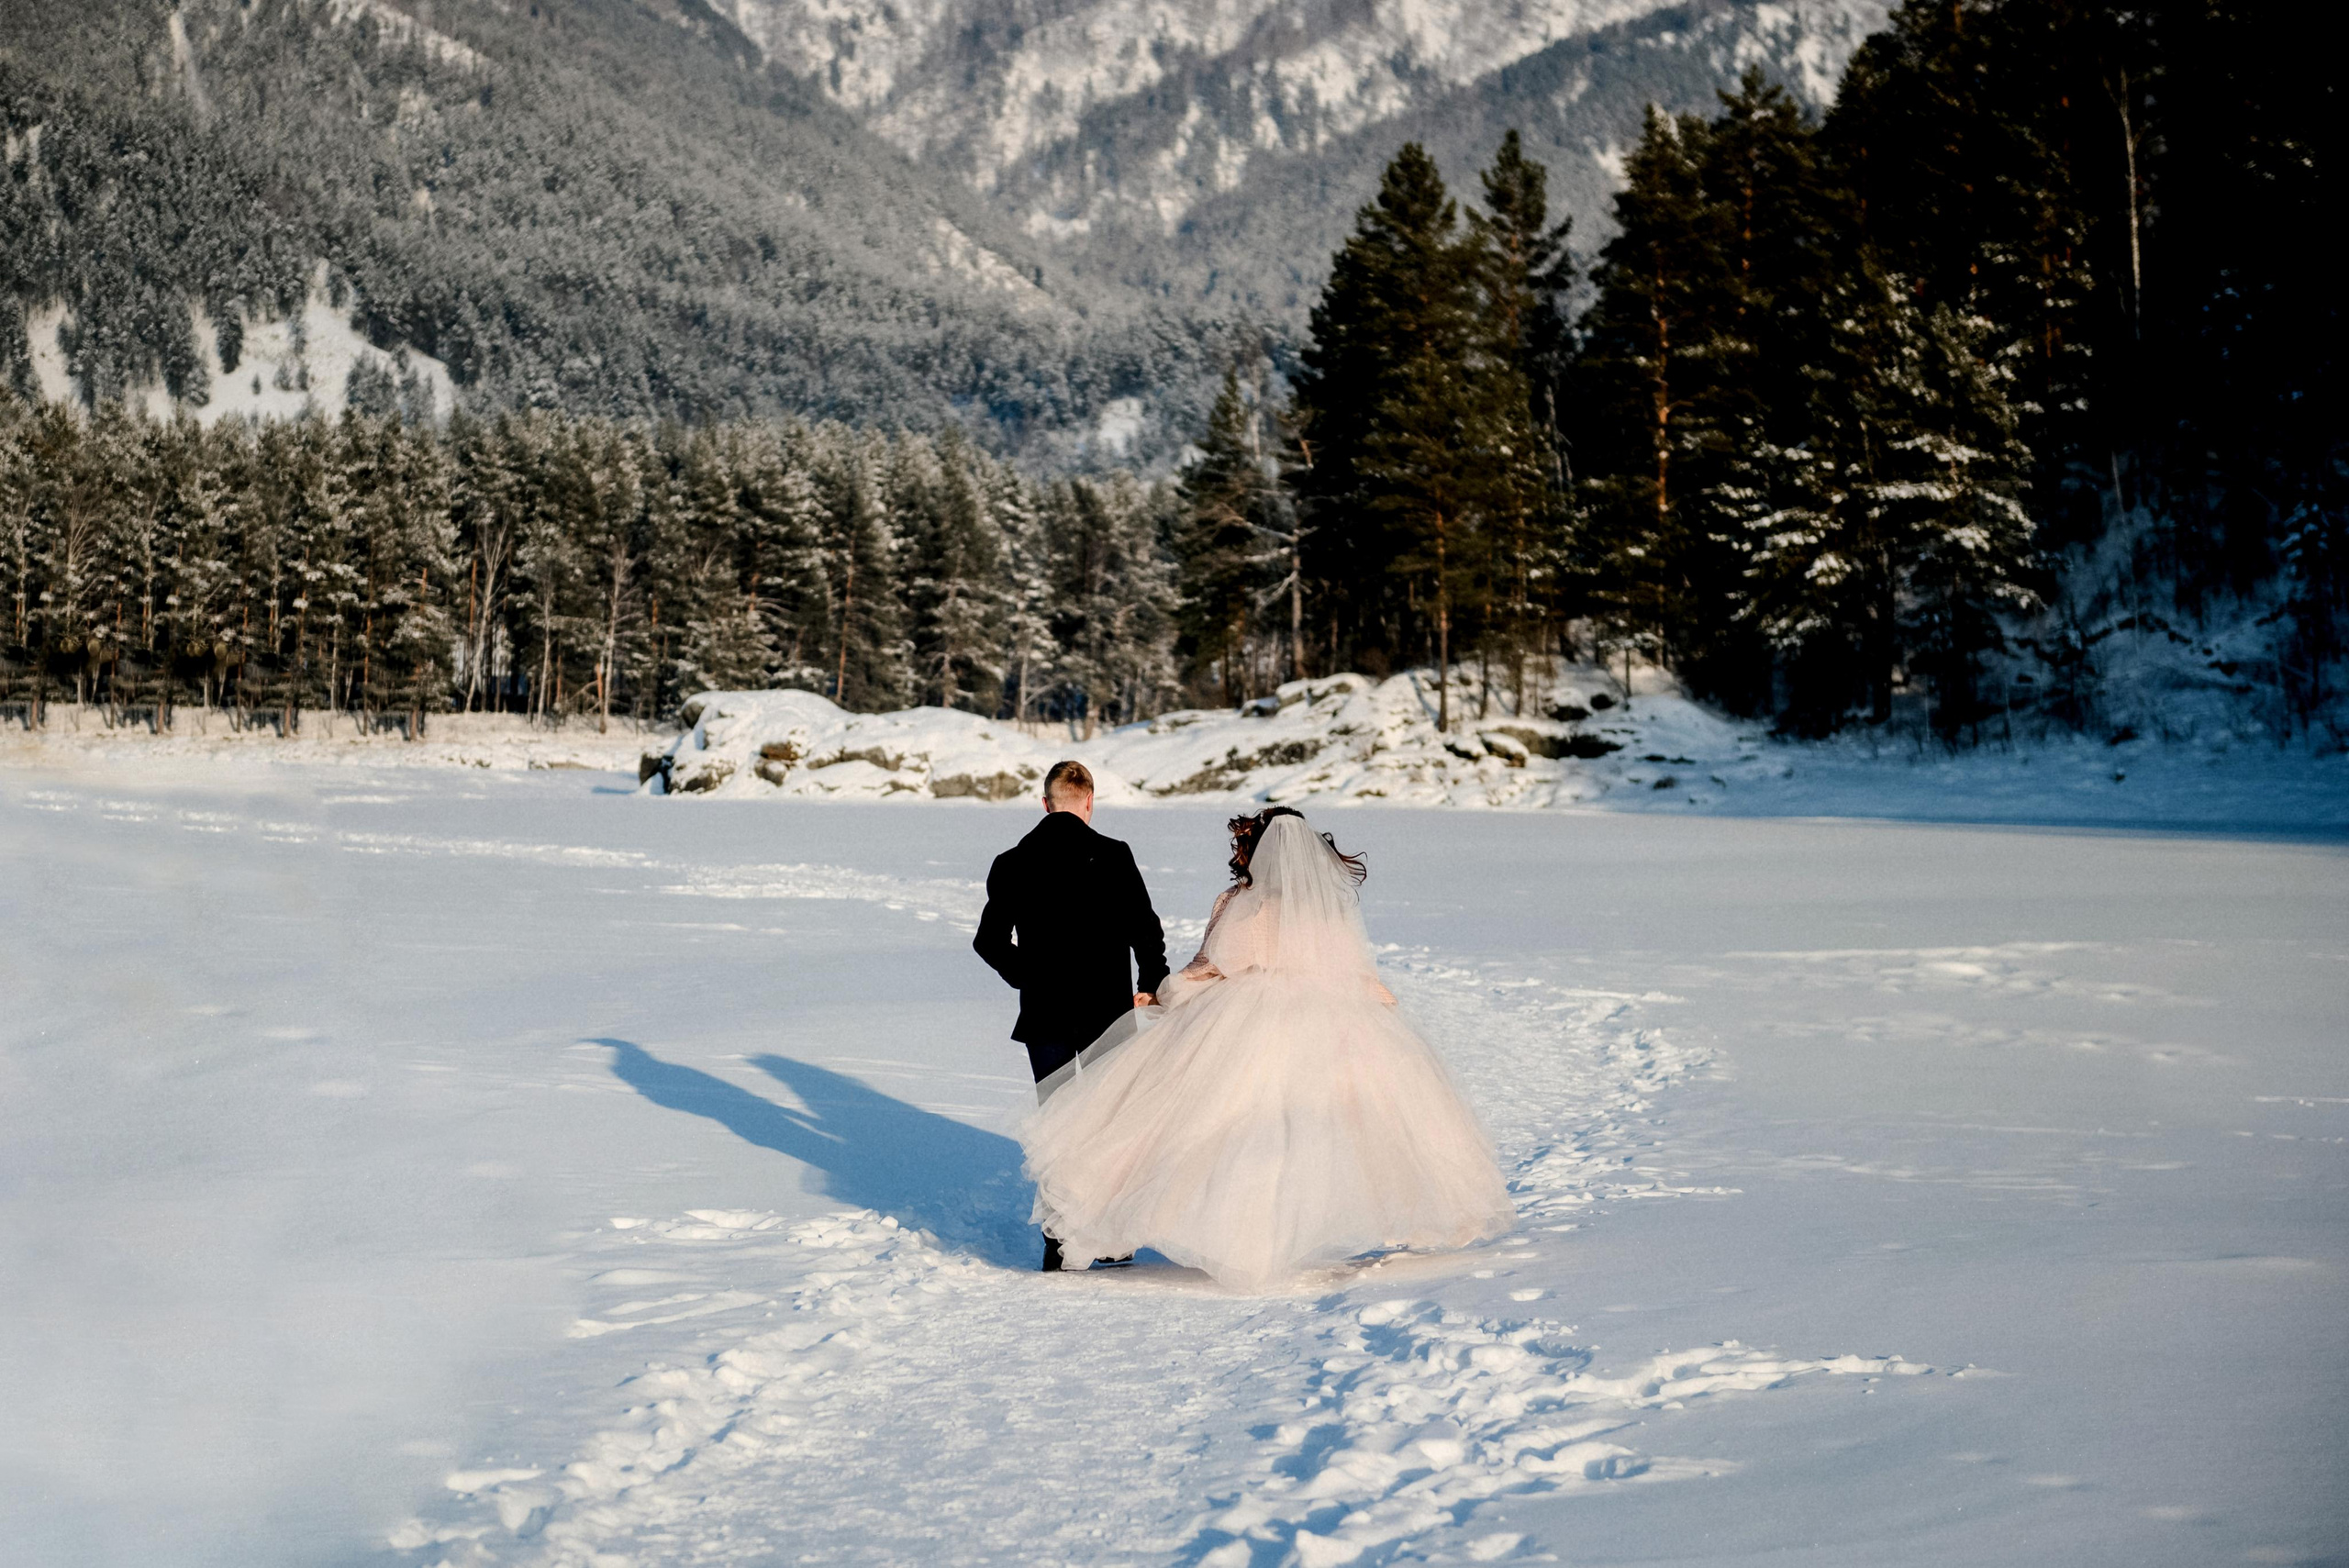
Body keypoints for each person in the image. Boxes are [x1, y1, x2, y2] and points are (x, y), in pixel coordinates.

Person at [1019, 807, 1515, 1291]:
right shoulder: (1320, 907)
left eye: (1243, 842)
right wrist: (1380, 1004)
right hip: (1326, 1020)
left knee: (1218, 1128)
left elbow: (1212, 965)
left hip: (1242, 1018)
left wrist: (1164, 994)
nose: (1239, 850)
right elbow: (1354, 970)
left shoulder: (1241, 903)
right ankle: (1298, 1233)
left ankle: (1226, 1238)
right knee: (1318, 1130)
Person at [973, 760, 1169, 1271]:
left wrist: (1028, 976)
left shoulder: (1012, 861)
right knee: (1109, 1122)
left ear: (1046, 803)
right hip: (1109, 1014)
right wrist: (1151, 982)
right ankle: (1112, 1238)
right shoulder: (1114, 855)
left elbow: (988, 942)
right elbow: (1145, 929)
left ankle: (1059, 1242)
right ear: (1089, 802)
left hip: (1046, 1014)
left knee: (1057, 1123)